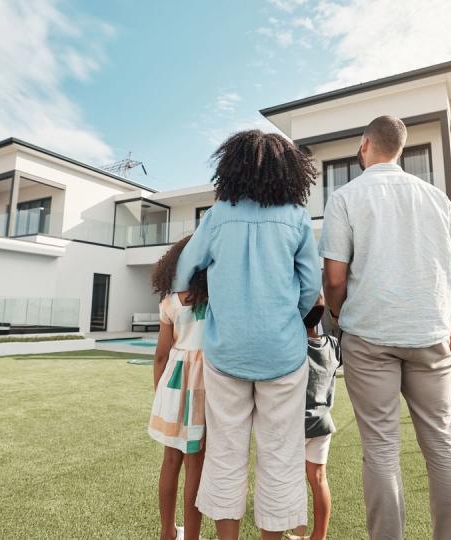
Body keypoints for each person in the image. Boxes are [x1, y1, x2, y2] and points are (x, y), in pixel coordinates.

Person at [319, 115, 451, 540]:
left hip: (369, 338)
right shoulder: (439, 200)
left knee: (382, 450)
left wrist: (338, 319)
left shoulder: (346, 197)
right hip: (431, 337)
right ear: (399, 149)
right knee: (442, 444)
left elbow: (333, 279)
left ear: (366, 145)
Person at [172, 130, 322, 540]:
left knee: (225, 454)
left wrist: (191, 293)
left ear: (231, 167)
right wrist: (286, 316)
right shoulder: (296, 216)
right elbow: (310, 286)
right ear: (288, 170)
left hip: (227, 352)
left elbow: (185, 268)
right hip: (284, 355)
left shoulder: (219, 214)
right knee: (280, 455)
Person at [148, 236, 209, 540]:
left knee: (170, 461)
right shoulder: (215, 301)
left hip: (172, 386)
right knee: (195, 465)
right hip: (204, 386)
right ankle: (192, 536)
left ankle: (167, 532)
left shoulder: (169, 303)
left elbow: (161, 354)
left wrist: (160, 393)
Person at [288, 298, 341, 540]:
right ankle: (318, 536)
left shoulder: (292, 347)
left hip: (296, 426)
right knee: (319, 480)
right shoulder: (331, 345)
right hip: (322, 425)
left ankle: (296, 532)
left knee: (291, 482)